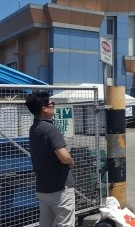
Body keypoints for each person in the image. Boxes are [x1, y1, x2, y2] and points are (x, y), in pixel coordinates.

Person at [25, 91, 75, 226]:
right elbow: (64, 157)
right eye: (51, 104)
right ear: (44, 108)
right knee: (66, 223)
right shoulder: (50, 129)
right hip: (59, 187)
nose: (54, 106)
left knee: (46, 223)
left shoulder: (34, 128)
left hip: (43, 187)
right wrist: (71, 161)